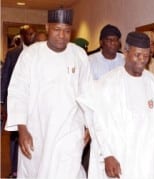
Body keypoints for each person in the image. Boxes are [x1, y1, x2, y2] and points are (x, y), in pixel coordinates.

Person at [4, 8, 91, 178]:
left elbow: (87, 92)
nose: (62, 35)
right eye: (57, 30)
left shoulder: (79, 55)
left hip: (70, 128)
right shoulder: (31, 55)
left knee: (70, 171)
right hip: (37, 129)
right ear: (47, 27)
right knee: (37, 171)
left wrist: (89, 126)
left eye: (67, 31)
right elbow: (18, 91)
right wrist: (22, 129)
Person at [77, 31, 154, 178]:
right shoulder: (107, 84)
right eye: (137, 55)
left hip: (146, 162)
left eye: (146, 56)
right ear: (126, 52)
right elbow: (99, 122)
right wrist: (107, 155)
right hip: (118, 157)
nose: (141, 60)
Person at [1, 24, 36, 178]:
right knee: (15, 137)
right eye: (29, 34)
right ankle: (15, 170)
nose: (32, 37)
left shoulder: (40, 53)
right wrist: (1, 102)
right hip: (15, 101)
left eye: (33, 34)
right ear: (22, 37)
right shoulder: (13, 54)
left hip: (34, 102)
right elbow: (5, 78)